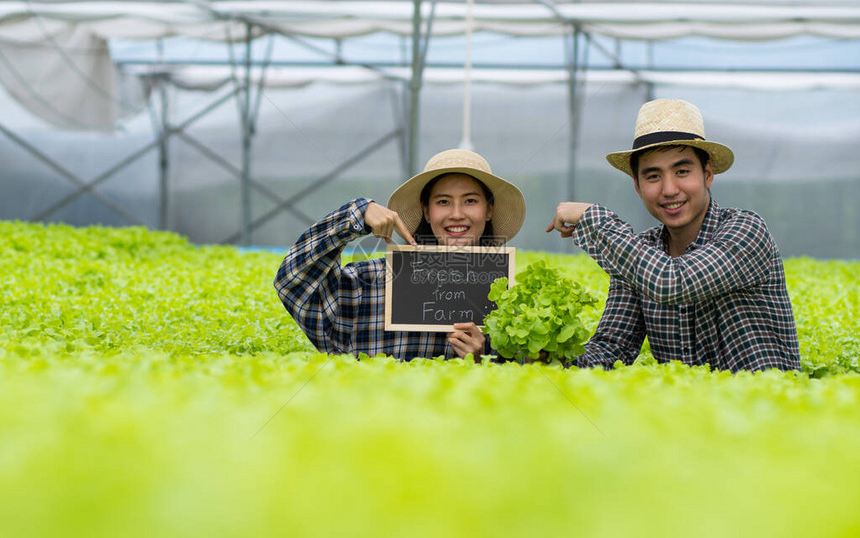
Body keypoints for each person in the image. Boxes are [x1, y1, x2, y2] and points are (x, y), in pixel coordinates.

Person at [547, 98, 801, 372]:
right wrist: (547, 357)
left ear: (707, 174)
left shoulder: (747, 230)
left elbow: (672, 281)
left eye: (682, 171)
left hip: (766, 409)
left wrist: (592, 218)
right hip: (683, 413)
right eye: (653, 176)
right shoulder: (640, 253)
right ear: (637, 186)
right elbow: (613, 347)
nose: (669, 189)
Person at [274, 149, 526, 361]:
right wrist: (356, 215)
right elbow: (293, 281)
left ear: (489, 210)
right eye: (443, 202)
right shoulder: (369, 282)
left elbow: (536, 375)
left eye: (470, 201)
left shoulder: (513, 304)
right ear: (426, 212)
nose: (457, 214)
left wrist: (486, 360)